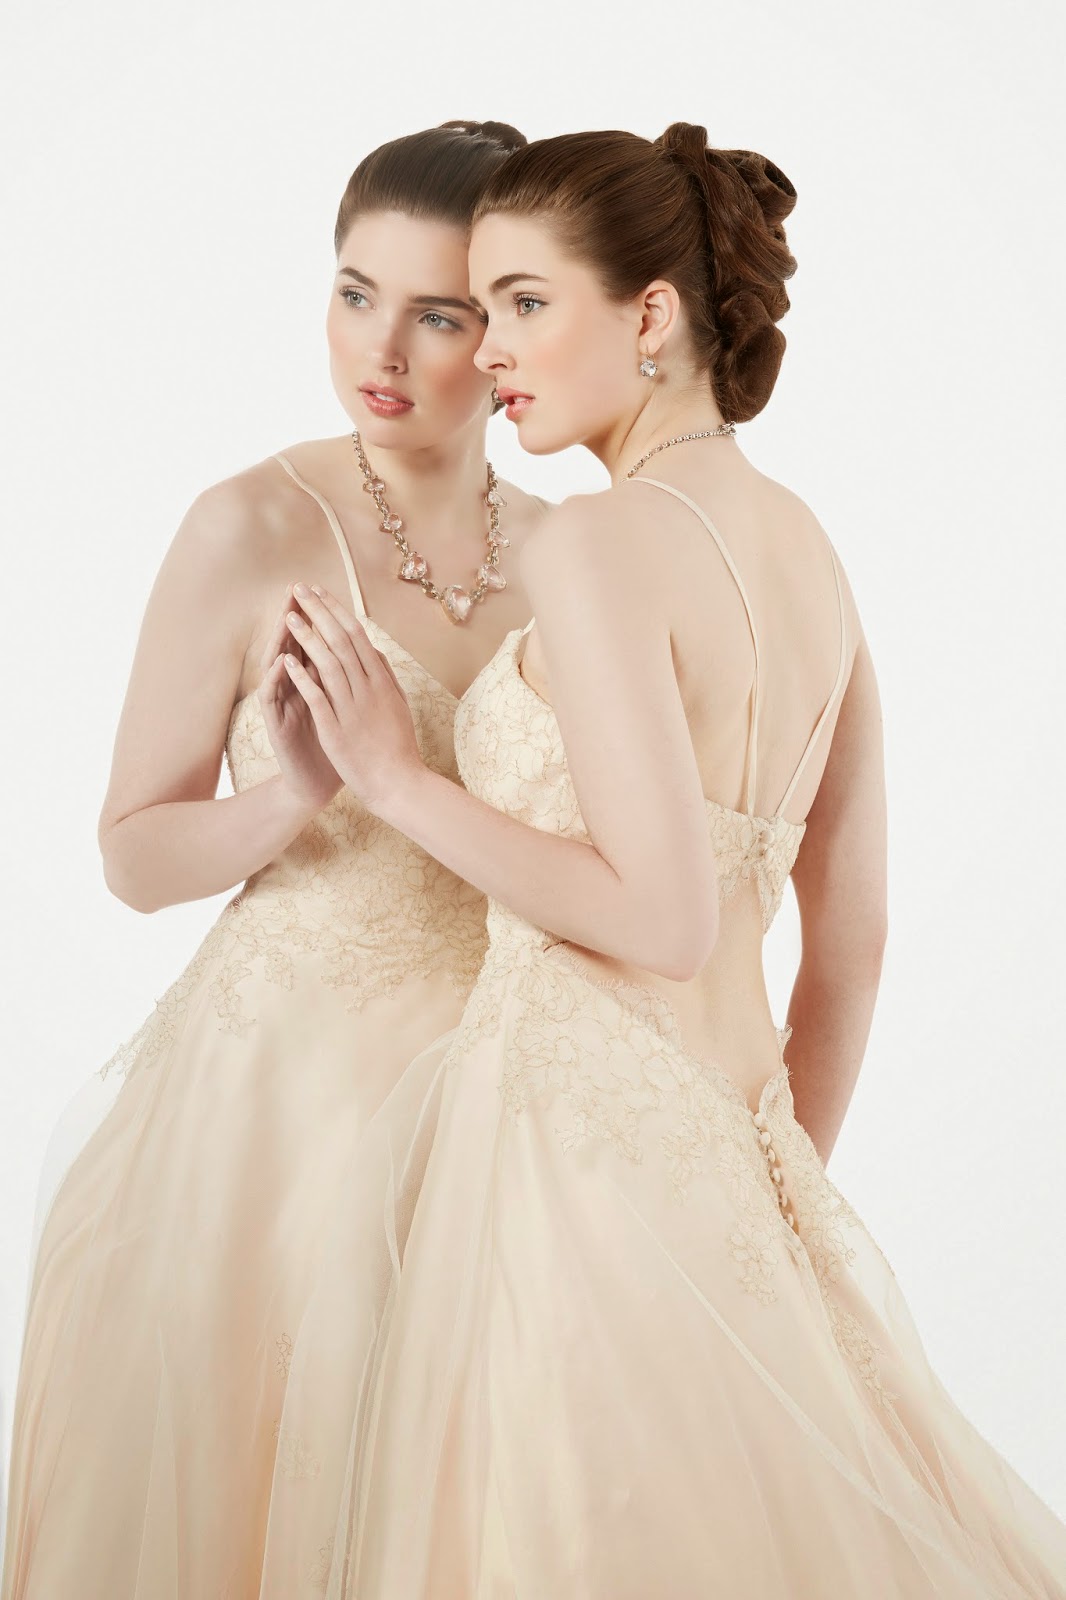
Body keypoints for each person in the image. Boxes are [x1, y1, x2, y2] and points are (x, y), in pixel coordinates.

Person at [256, 125, 1066, 1596]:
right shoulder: (808, 549)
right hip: (737, 1173)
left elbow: (664, 916)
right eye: (481, 309)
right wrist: (763, 1191)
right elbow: (853, 939)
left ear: (649, 314)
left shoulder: (597, 542)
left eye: (523, 302)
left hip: (565, 1171)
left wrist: (393, 779)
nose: (489, 349)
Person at [0, 119, 548, 1599]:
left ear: (507, 333)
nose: (380, 346)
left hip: (497, 1090)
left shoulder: (571, 555)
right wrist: (293, 797)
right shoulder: (245, 526)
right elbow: (132, 853)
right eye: (353, 292)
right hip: (278, 1111)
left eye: (437, 314)